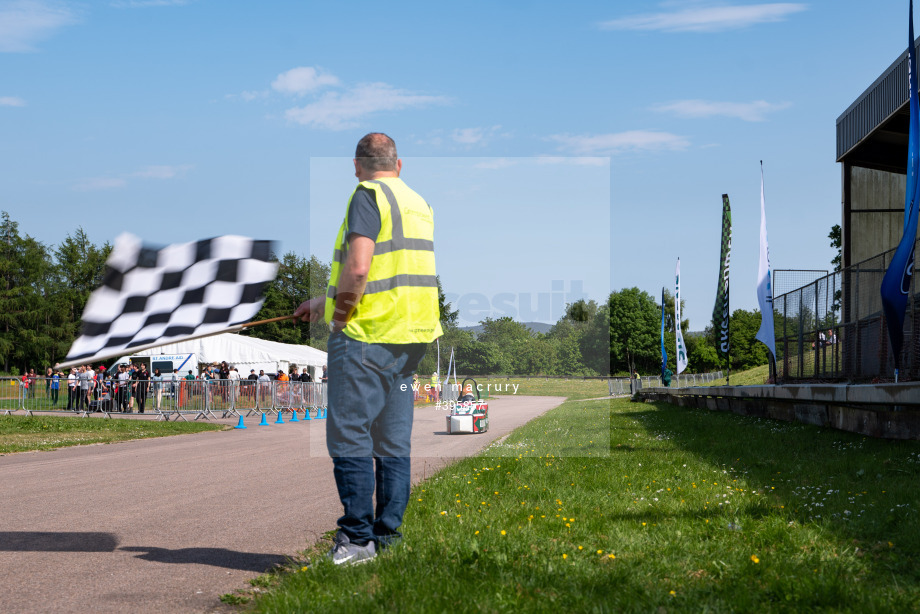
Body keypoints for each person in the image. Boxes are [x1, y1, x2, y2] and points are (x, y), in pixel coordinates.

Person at [294, 133, 442, 566]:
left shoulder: (366, 194)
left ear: (357, 165)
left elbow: (359, 268)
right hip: (410, 339)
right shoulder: (418, 203)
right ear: (399, 165)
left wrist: (339, 318)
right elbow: (386, 273)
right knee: (393, 440)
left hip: (366, 337)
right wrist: (323, 302)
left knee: (350, 434)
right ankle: (387, 538)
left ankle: (357, 541)